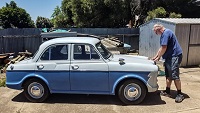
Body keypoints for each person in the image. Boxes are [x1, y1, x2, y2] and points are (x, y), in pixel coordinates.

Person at [152, 24, 184, 103]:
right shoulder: (164, 34)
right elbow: (161, 47)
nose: (157, 34)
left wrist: (159, 57)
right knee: (168, 74)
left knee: (174, 75)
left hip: (175, 56)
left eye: (156, 32)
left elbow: (164, 48)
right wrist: (156, 56)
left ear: (159, 30)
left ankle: (180, 94)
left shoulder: (166, 33)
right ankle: (167, 91)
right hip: (169, 57)